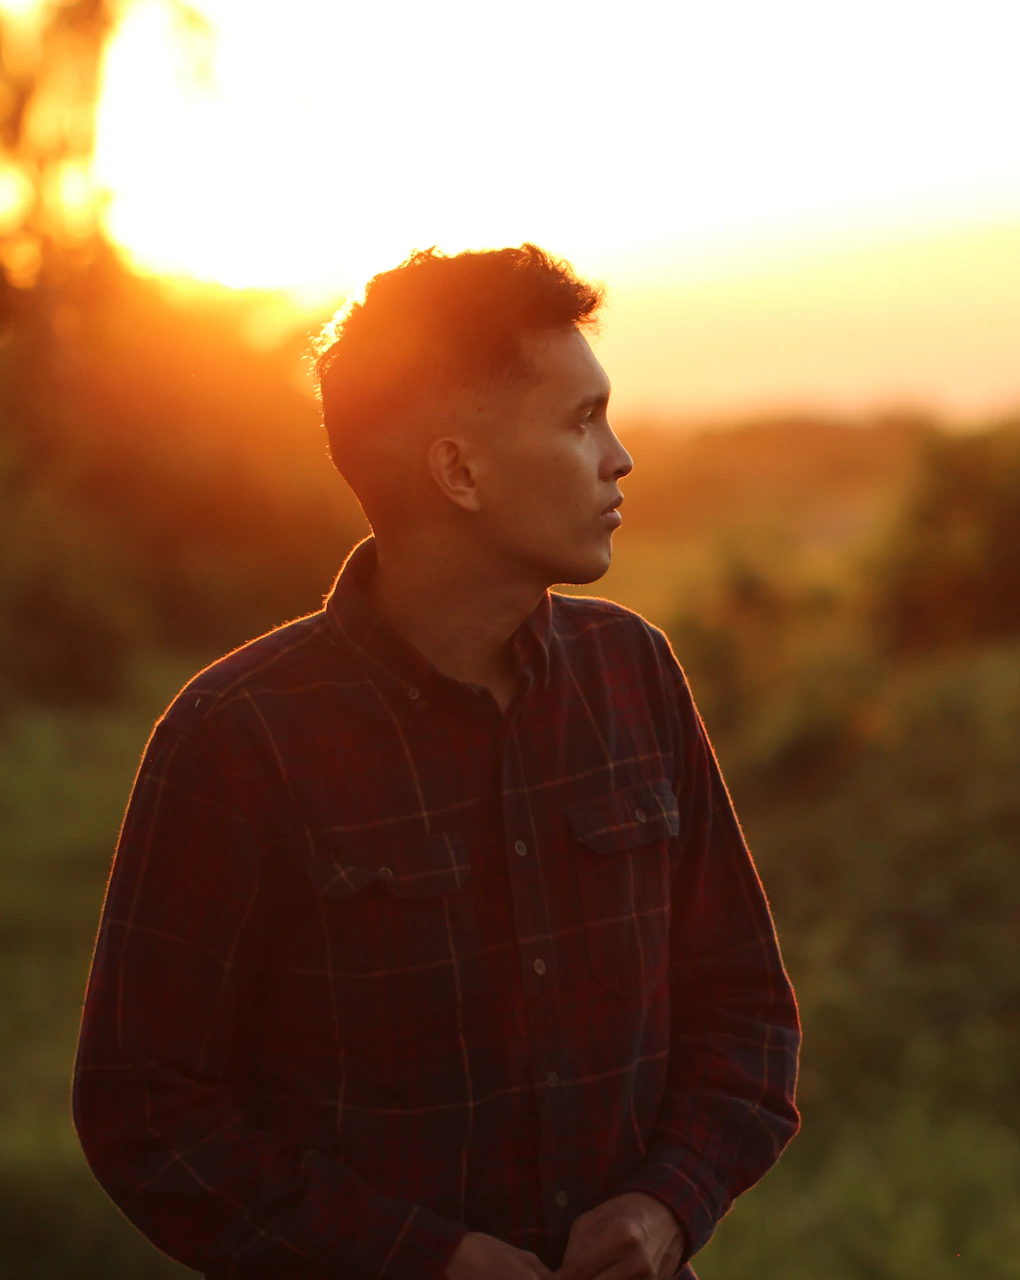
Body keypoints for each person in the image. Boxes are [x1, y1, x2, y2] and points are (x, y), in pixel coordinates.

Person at [72, 245, 801, 1280]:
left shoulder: (633, 674)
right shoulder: (235, 739)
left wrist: (666, 1201)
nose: (620, 455)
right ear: (458, 469)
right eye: (580, 420)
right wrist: (423, 1260)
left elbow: (744, 1005)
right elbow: (146, 1110)